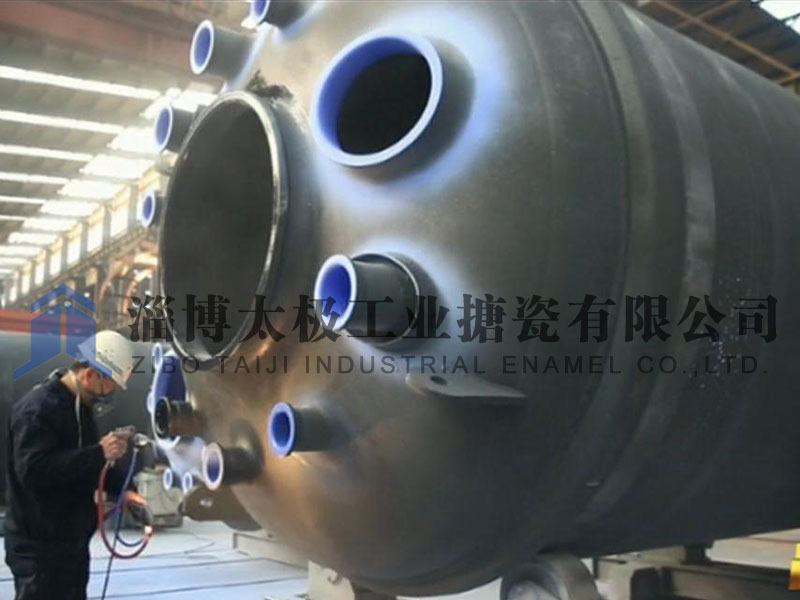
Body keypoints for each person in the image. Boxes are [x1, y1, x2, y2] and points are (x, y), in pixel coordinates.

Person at [4, 330, 145, 600]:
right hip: (39, 548)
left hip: (70, 542)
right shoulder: (37, 409)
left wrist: (125, 491)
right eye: (111, 385)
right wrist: (98, 452)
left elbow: (88, 466)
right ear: (90, 375)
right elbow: (33, 471)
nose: (111, 393)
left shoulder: (80, 409)